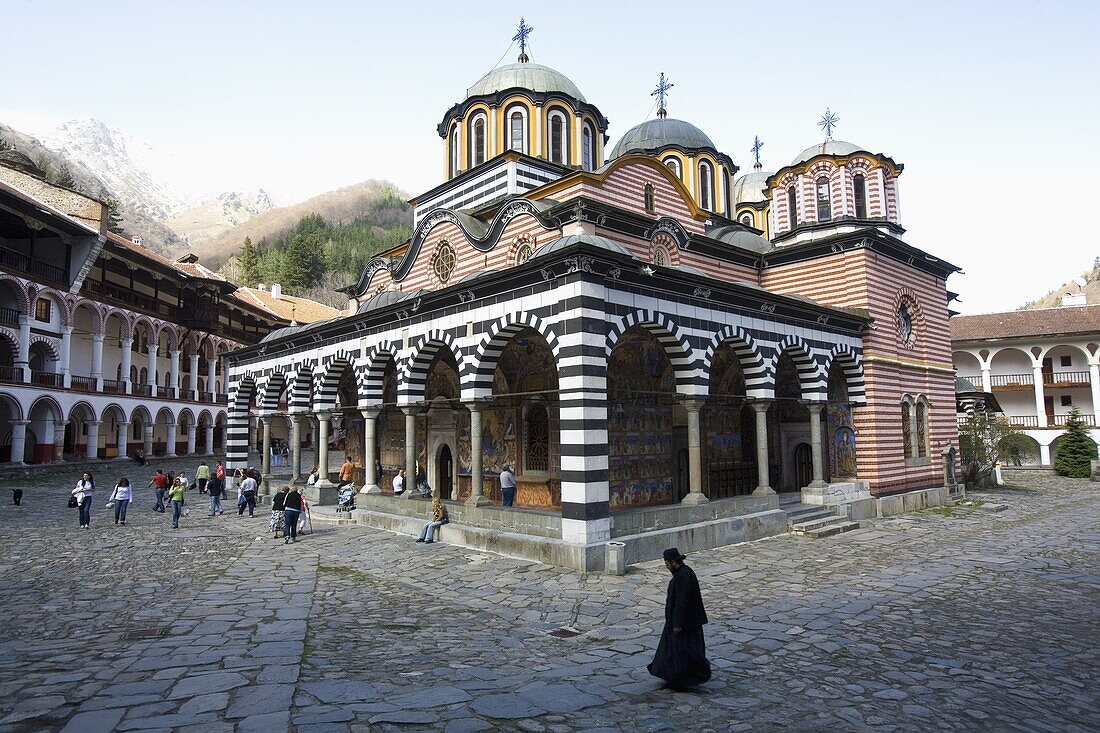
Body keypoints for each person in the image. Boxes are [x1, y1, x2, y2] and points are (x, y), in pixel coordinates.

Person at [647, 548, 712, 690]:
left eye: (667, 565)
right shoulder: (684, 573)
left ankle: (683, 678)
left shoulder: (683, 577)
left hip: (684, 624)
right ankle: (675, 677)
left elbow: (682, 601)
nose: (668, 568)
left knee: (684, 653)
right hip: (683, 622)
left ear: (673, 563)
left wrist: (677, 623)